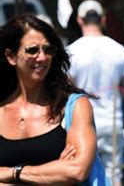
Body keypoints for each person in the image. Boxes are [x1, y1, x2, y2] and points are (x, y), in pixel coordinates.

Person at [0, 14, 98, 184]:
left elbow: (76, 171)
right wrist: (53, 171)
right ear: (11, 56)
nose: (42, 57)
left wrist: (12, 173)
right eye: (32, 50)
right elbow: (64, 174)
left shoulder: (74, 106)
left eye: (48, 50)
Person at [68, 0, 124, 185]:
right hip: (111, 120)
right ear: (103, 19)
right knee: (113, 174)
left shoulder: (72, 51)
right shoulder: (119, 50)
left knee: (82, 175)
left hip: (80, 122)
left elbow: (65, 88)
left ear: (80, 20)